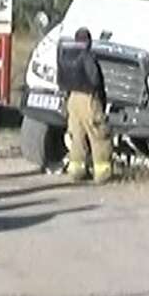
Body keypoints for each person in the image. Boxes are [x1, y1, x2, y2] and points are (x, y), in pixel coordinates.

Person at [59, 28, 113, 183]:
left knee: (77, 136)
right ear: (88, 41)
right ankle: (103, 174)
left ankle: (77, 171)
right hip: (88, 99)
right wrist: (101, 100)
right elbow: (95, 79)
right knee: (99, 134)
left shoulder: (67, 56)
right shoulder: (87, 56)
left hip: (72, 99)